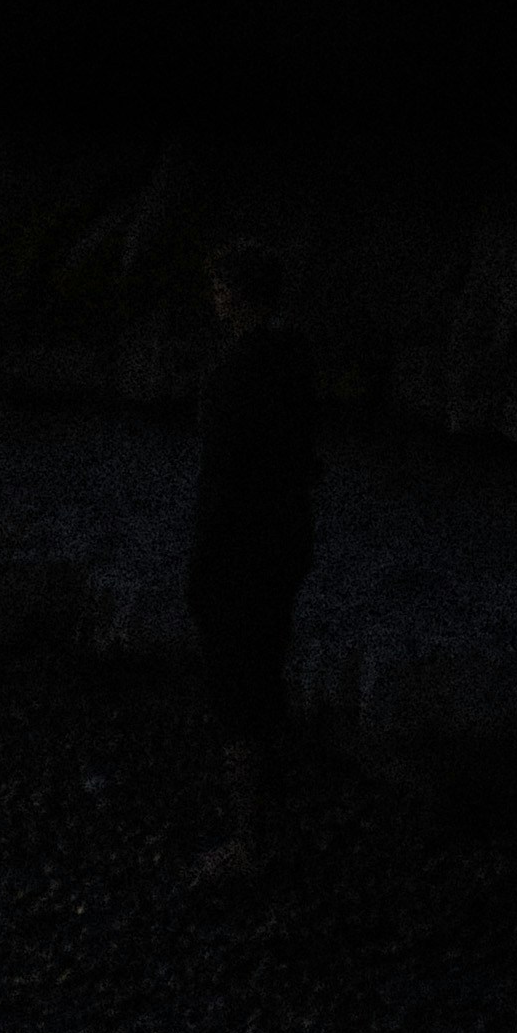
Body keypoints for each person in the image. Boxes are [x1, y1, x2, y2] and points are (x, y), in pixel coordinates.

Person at [187, 239, 314, 885]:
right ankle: (276, 830)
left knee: (236, 696)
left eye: (218, 286)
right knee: (264, 683)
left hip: (239, 552)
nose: (213, 297)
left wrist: (201, 565)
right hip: (284, 547)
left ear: (236, 295)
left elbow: (222, 481)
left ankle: (250, 845)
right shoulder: (296, 361)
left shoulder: (234, 373)